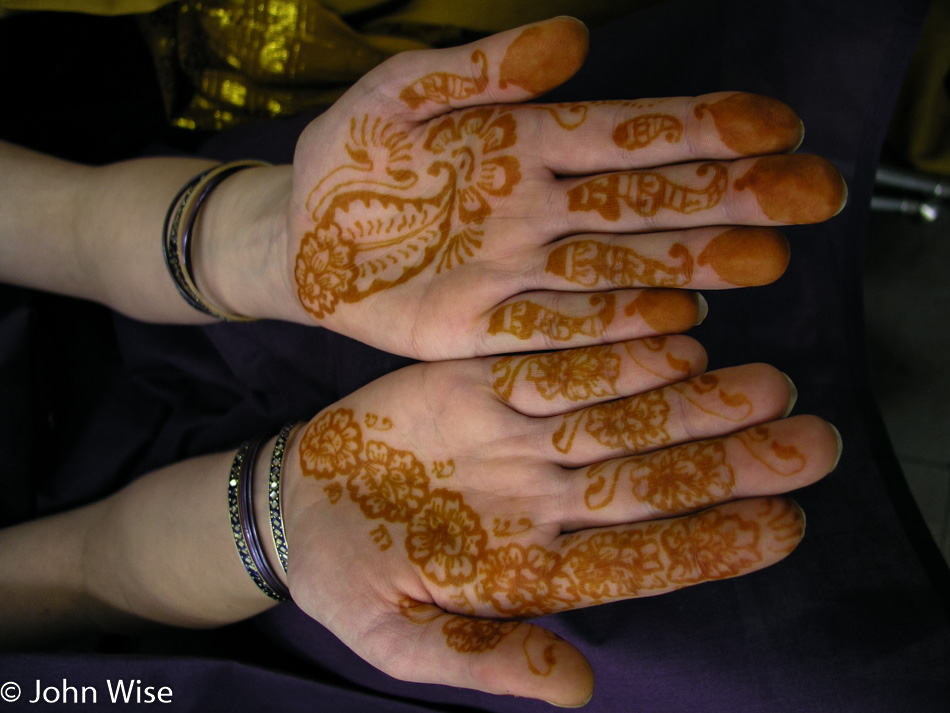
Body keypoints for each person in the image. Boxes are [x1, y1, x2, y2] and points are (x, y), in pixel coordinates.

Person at [0, 4, 947, 713]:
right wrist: (277, 512)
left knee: (541, 232)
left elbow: (75, 225)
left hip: (167, 257)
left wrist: (266, 245)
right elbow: (77, 571)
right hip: (172, 565)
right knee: (723, 653)